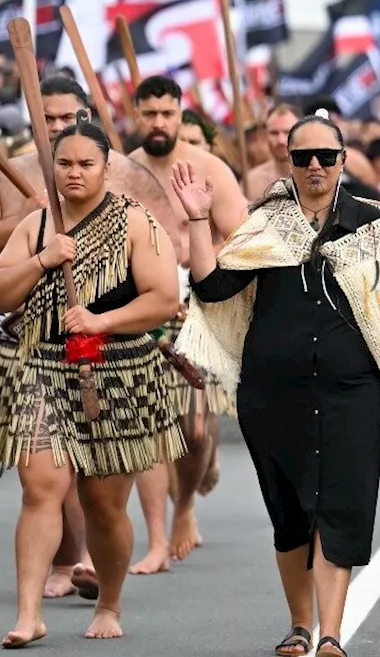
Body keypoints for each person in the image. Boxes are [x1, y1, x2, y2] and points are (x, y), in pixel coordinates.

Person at [174, 114, 380, 657]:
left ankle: (332, 635)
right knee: (290, 511)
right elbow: (213, 287)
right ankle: (300, 625)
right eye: (301, 157)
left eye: (325, 155)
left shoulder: (373, 221)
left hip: (353, 391)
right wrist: (198, 219)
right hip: (273, 392)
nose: (314, 165)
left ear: (343, 159)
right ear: (288, 163)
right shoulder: (264, 222)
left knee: (338, 507)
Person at [0, 75, 175, 599]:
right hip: (38, 366)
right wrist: (42, 256)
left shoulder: (135, 210)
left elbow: (165, 296)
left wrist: (101, 321)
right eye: (65, 163)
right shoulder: (32, 219)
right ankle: (29, 611)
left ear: (105, 164)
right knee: (41, 487)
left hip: (117, 370)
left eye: (84, 164)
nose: (73, 171)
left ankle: (112, 599)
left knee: (102, 502)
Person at [127, 75, 247, 573]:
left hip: (194, 314)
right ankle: (156, 539)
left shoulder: (208, 169)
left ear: (181, 114)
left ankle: (186, 506)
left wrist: (199, 266)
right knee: (148, 429)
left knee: (194, 430)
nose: (159, 122)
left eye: (168, 114)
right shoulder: (118, 170)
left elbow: (242, 239)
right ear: (136, 115)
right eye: (149, 114)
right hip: (138, 314)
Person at [244, 104, 301, 200]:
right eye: (274, 133)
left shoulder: (315, 174)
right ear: (266, 135)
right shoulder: (252, 181)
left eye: (287, 132)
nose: (281, 140)